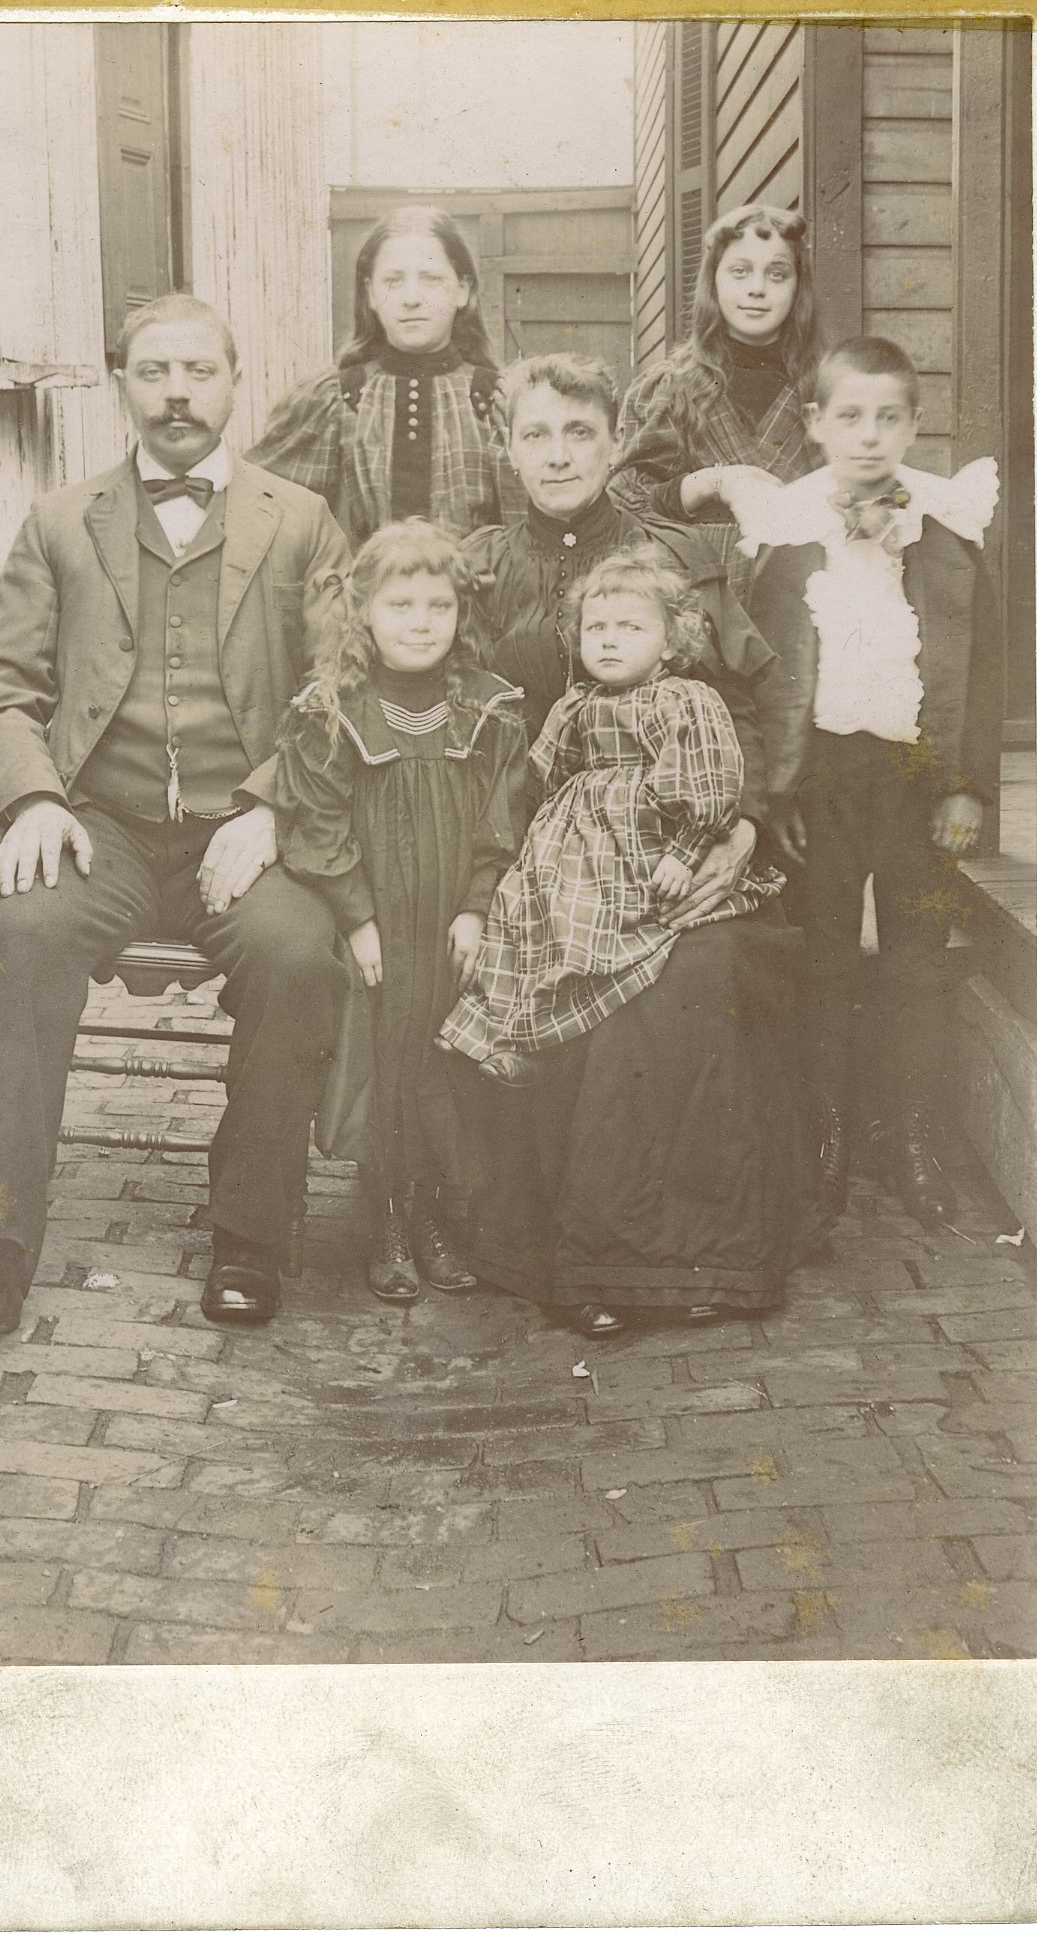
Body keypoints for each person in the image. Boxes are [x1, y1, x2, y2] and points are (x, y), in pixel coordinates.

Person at [0, 294, 351, 1365]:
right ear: (123, 387)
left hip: (240, 833)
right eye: (155, 372)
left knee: (299, 954)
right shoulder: (64, 521)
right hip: (95, 826)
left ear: (235, 382)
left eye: (199, 371)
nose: (177, 394)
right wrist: (33, 798)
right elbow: (2, 687)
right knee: (18, 940)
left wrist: (272, 803)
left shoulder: (301, 521)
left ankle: (251, 1236)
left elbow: (342, 685)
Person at [738, 335, 1001, 1224]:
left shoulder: (944, 524)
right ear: (814, 423)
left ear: (914, 424)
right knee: (820, 958)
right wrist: (772, 792)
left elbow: (980, 664)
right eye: (849, 415)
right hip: (819, 777)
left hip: (917, 772)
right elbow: (760, 670)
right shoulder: (787, 528)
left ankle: (910, 1137)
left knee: (916, 958)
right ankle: (826, 1138)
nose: (868, 435)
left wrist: (965, 785)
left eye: (889, 417)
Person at [275, 521, 528, 1305]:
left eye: (438, 606)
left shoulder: (488, 709)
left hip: (449, 921)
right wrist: (356, 918)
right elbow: (319, 821)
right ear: (362, 612)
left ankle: (432, 1213)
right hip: (378, 922)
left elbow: (501, 820)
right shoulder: (333, 710)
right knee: (383, 1059)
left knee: (440, 1062)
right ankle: (383, 1213)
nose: (420, 622)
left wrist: (477, 908)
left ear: (460, 613)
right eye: (400, 605)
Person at [440, 546, 783, 1086]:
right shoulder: (577, 703)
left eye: (631, 628)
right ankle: (510, 1037)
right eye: (596, 628)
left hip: (646, 846)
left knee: (594, 926)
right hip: (577, 843)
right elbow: (542, 774)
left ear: (670, 643)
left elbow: (708, 781)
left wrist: (685, 852)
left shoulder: (684, 699)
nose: (609, 640)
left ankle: (555, 1036)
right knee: (520, 908)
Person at [463, 350, 777, 919]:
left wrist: (745, 828)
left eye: (580, 432)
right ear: (509, 451)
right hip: (508, 842)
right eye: (535, 435)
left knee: (714, 958)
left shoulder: (672, 552)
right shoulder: (478, 567)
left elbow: (737, 707)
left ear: (615, 443)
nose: (558, 456)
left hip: (661, 850)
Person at [250, 205, 511, 547]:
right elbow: (267, 520)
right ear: (371, 294)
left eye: (431, 279)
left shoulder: (495, 401)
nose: (411, 299)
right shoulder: (332, 399)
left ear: (463, 290)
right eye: (393, 281)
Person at [609, 203, 821, 598]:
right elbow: (623, 505)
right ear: (714, 281)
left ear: (798, 286)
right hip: (699, 601)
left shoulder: (823, 387)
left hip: (802, 600)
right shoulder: (669, 388)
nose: (757, 288)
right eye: (740, 271)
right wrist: (713, 483)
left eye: (777, 274)